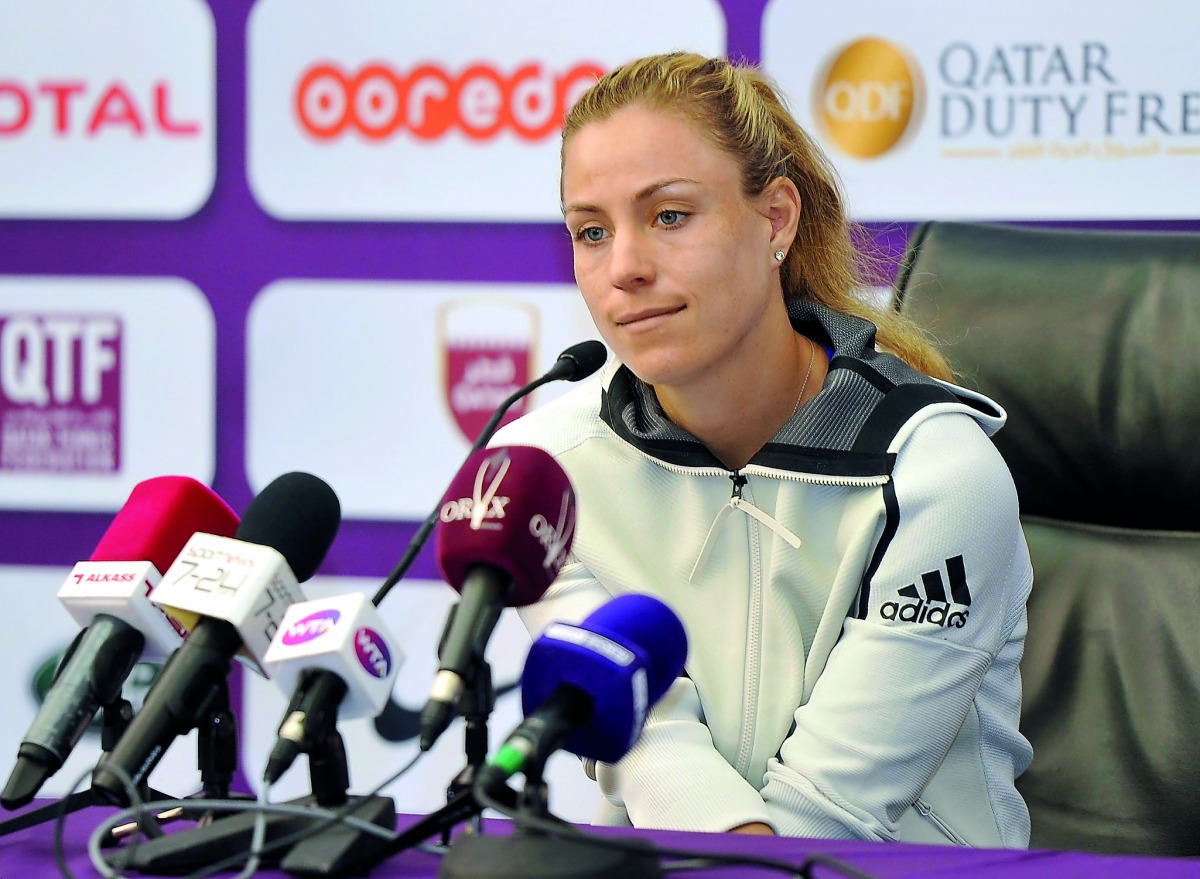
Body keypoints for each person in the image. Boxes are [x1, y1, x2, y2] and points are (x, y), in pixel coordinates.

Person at [492, 51, 1033, 847]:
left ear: (776, 218)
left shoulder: (938, 474)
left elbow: (832, 813)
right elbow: (651, 746)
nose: (625, 269)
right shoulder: (542, 472)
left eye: (670, 216)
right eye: (591, 232)